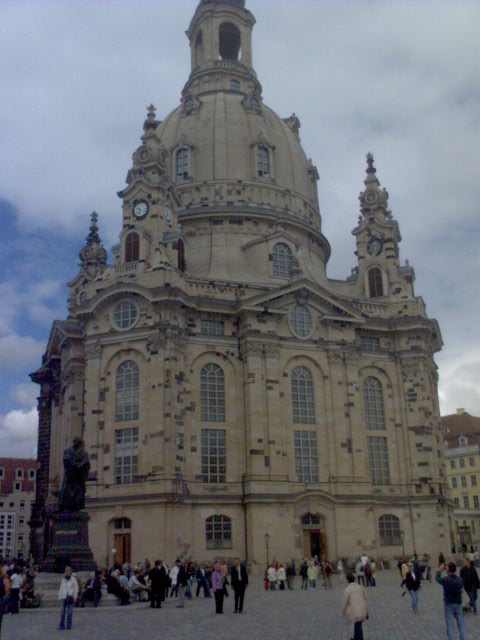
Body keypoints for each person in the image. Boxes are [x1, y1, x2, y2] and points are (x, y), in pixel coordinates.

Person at [436, 561, 466, 640]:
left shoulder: (446, 580)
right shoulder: (460, 579)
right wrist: (448, 570)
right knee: (461, 625)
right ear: (455, 570)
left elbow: (437, 578)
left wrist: (440, 570)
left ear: (448, 569)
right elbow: (453, 576)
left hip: (449, 604)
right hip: (458, 604)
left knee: (450, 626)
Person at [341, 572, 368, 640]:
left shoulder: (347, 589)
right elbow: (365, 596)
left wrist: (342, 611)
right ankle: (357, 637)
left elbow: (344, 602)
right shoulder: (359, 587)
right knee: (358, 625)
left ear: (347, 580)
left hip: (354, 610)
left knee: (357, 625)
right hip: (362, 609)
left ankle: (359, 638)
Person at [58, 566, 79, 631]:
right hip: (64, 597)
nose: (67, 572)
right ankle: (61, 625)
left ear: (71, 572)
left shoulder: (73, 579)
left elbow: (76, 588)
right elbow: (61, 588)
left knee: (69, 613)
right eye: (66, 571)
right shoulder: (63, 579)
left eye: (69, 571)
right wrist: (60, 596)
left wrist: (75, 597)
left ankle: (69, 625)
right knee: (62, 612)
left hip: (70, 597)